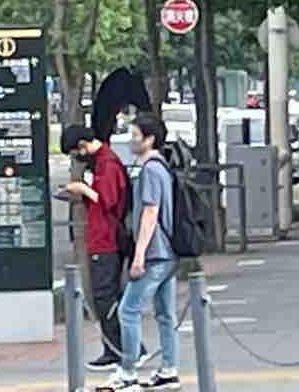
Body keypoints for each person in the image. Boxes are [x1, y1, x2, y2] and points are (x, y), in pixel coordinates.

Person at [97, 114, 178, 392]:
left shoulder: (151, 170)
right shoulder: (162, 168)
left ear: (149, 139)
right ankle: (169, 368)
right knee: (165, 313)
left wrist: (139, 255)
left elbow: (149, 213)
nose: (131, 140)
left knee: (128, 310)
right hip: (169, 252)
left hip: (155, 253)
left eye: (135, 135)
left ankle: (128, 371)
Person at [60, 125, 143, 372]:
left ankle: (120, 349)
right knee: (108, 296)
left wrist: (82, 189)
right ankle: (126, 347)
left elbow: (107, 200)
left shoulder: (107, 163)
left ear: (83, 145)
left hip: (106, 239)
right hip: (102, 236)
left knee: (104, 295)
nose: (78, 156)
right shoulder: (101, 162)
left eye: (77, 152)